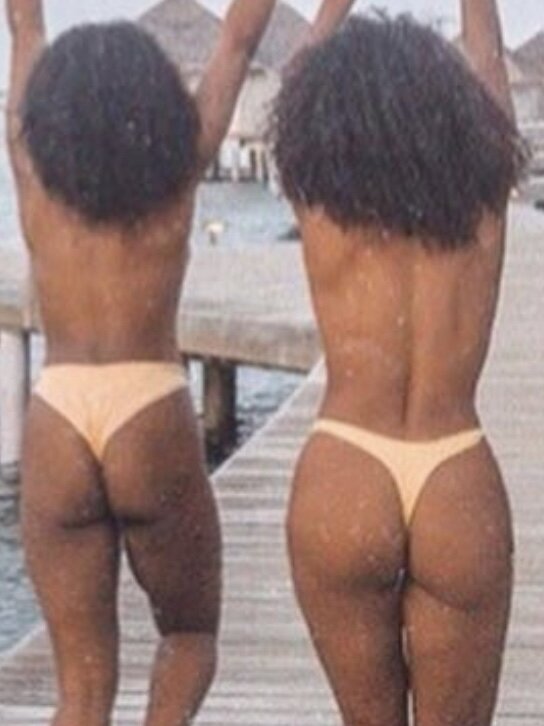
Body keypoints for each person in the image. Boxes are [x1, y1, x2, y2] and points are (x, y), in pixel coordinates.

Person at [5, 1, 277, 723]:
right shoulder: (180, 164)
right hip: (147, 405)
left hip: (58, 411)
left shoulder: (30, 164)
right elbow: (240, 38)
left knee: (80, 693)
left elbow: (25, 26)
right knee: (188, 636)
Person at [272, 0, 526, 723]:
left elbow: (295, 88)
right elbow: (489, 68)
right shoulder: (485, 193)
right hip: (455, 476)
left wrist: (334, 5)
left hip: (344, 471)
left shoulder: (321, 201)